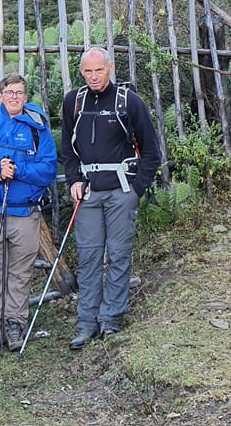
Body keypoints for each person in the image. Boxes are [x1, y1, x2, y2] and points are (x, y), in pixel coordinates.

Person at [61, 47, 162, 349]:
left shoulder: (130, 102)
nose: (94, 77)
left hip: (121, 191)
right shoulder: (73, 102)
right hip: (88, 192)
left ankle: (111, 320)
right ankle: (86, 323)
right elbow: (67, 149)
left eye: (99, 70)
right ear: (81, 71)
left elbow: (152, 152)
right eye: (88, 71)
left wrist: (136, 190)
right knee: (89, 256)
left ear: (111, 68)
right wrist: (74, 179)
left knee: (118, 255)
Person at [0, 74, 57, 352]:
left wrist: (19, 171)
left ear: (26, 97)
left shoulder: (38, 130)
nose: (14, 97)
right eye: (9, 92)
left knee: (20, 272)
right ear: (1, 96)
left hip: (25, 214)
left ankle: (15, 323)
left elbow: (48, 169)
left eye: (19, 92)